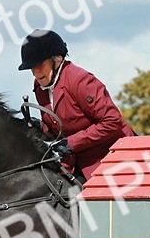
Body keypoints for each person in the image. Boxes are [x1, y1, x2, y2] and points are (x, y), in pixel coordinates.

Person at [18, 29, 135, 180]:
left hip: (112, 159)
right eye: (31, 68)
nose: (35, 72)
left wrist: (71, 143)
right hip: (75, 163)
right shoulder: (41, 85)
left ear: (57, 60)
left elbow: (112, 121)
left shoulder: (80, 81)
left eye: (39, 65)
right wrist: (41, 127)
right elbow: (60, 126)